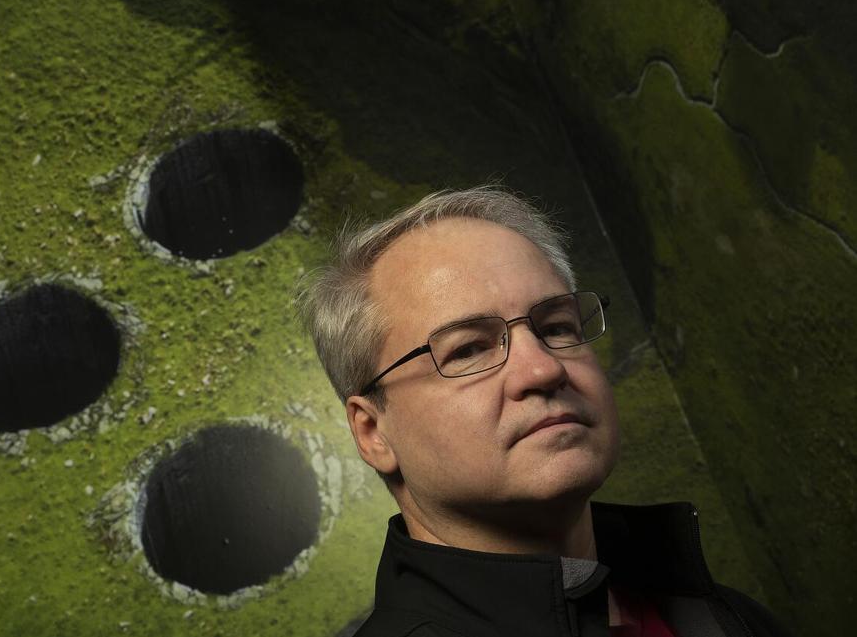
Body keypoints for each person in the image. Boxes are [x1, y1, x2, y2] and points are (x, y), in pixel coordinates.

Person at [297, 187, 789, 637]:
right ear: (372, 431)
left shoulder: (735, 620)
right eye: (468, 350)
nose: (542, 369)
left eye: (556, 326)